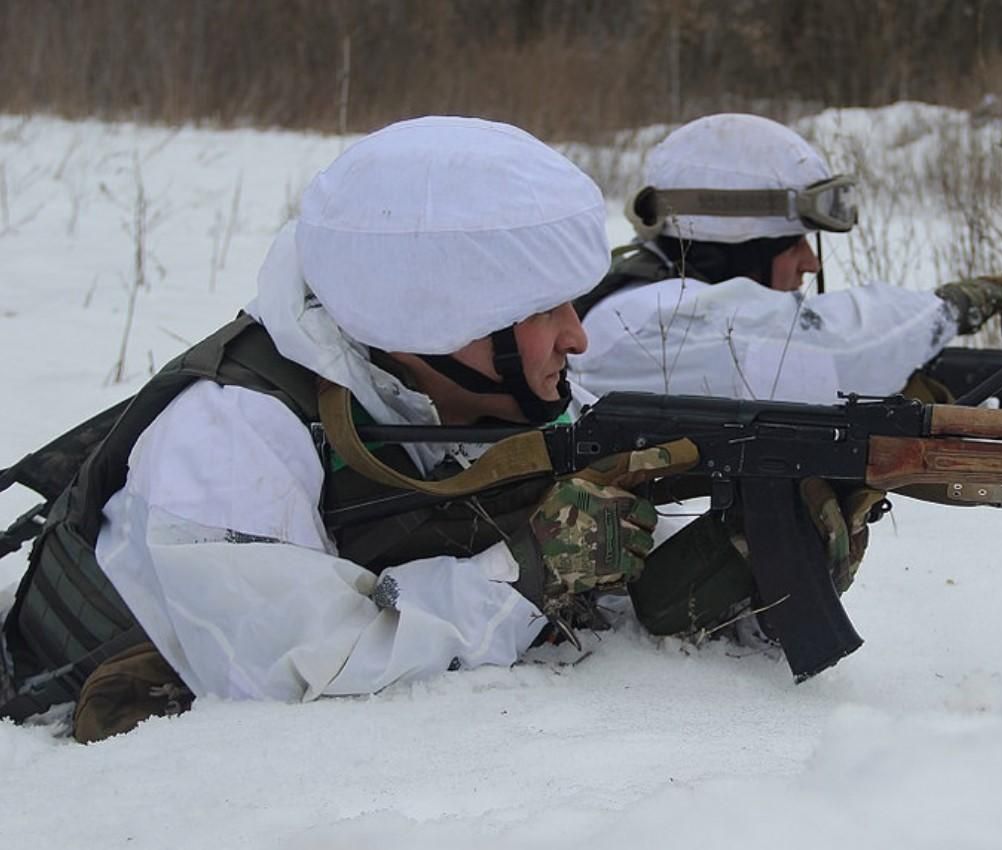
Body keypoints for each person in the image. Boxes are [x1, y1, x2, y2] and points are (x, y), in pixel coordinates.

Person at [0, 116, 660, 742]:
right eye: (543, 310)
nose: (577, 336)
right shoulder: (231, 437)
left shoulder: (462, 381)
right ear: (434, 320)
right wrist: (529, 573)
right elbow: (301, 671)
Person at [568, 112, 1002, 405]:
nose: (812, 262)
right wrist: (947, 309)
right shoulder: (647, 321)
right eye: (793, 243)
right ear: (740, 246)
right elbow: (844, 347)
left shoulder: (645, 302)